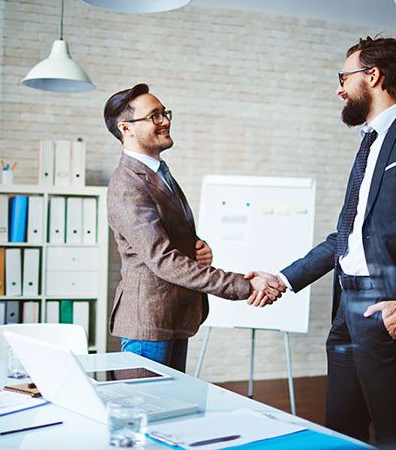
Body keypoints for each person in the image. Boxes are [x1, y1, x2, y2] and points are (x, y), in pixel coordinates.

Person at [259, 37, 396, 444]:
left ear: (373, 76)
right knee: (341, 426)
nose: (339, 88)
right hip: (347, 305)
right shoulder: (370, 143)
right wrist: (284, 278)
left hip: (389, 305)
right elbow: (345, 236)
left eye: (344, 77)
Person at [104, 83, 285, 372]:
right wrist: (244, 284)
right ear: (126, 128)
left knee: (172, 412)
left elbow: (165, 235)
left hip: (173, 318)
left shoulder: (159, 173)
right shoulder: (127, 184)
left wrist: (196, 246)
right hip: (148, 324)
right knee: (144, 413)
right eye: (154, 116)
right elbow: (162, 259)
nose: (165, 121)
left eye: (165, 113)